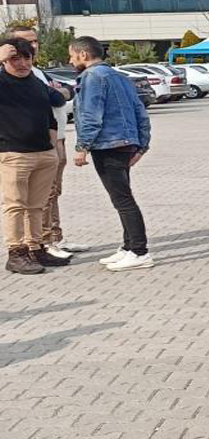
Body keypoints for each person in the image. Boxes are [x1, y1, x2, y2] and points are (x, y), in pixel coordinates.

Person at [67, 36, 155, 272]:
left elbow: (90, 114)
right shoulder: (120, 76)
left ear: (83, 54)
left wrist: (82, 147)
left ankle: (139, 251)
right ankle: (128, 246)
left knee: (122, 199)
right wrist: (141, 145)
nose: (70, 59)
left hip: (108, 145)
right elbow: (141, 112)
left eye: (72, 55)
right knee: (122, 197)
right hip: (124, 144)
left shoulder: (91, 77)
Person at [7, 25, 87, 260]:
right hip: (20, 151)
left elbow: (61, 97)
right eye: (24, 44)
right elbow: (56, 96)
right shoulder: (7, 78)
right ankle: (28, 247)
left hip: (50, 145)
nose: (32, 47)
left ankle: (47, 241)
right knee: (23, 202)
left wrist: (53, 147)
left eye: (34, 43)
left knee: (45, 198)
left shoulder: (36, 74)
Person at [1, 38, 67, 275]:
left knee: (37, 206)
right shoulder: (2, 82)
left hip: (44, 153)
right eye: (14, 58)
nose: (21, 63)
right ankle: (16, 253)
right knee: (15, 206)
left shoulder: (36, 83)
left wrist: (52, 146)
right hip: (14, 154)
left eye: (26, 57)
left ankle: (36, 247)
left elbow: (53, 107)